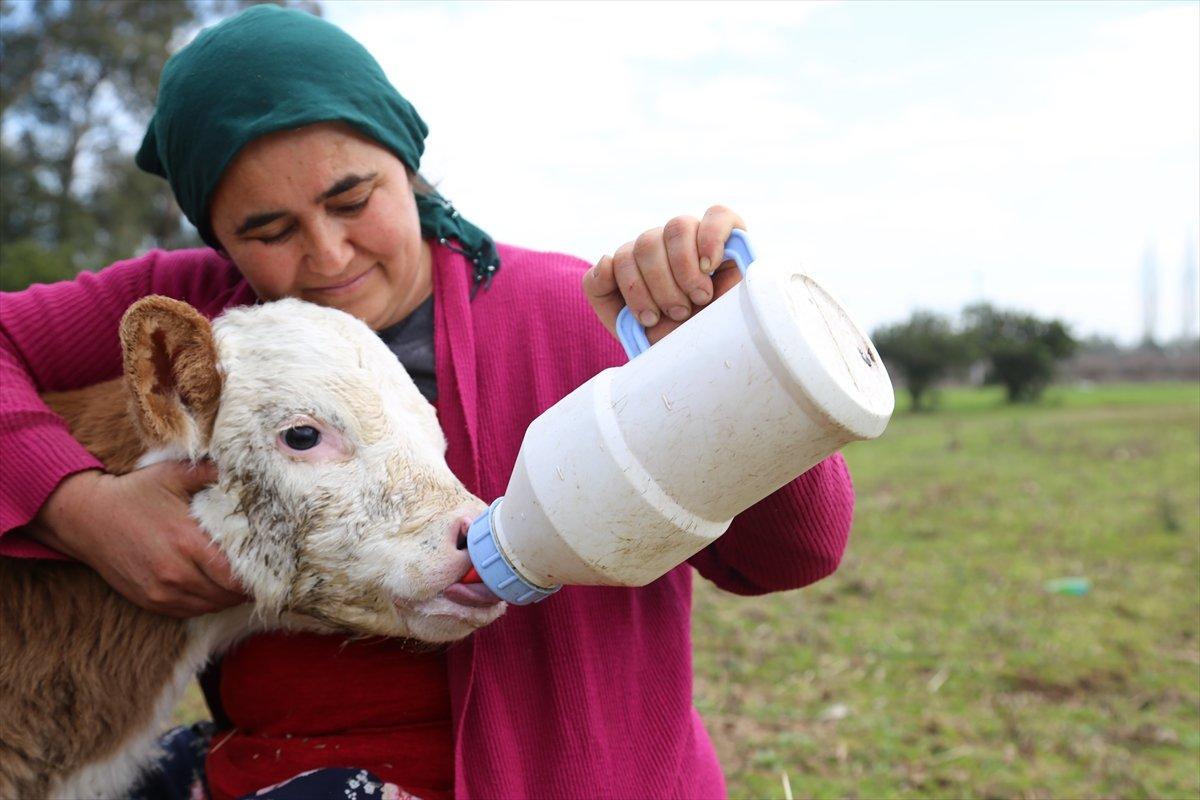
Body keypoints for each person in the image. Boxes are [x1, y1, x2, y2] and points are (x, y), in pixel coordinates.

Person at [0, 6, 855, 800]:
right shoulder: (213, 316)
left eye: (353, 199)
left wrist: (730, 372)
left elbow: (789, 557)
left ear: (408, 169)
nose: (328, 254)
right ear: (217, 239)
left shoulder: (575, 312)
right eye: (268, 231)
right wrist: (81, 507)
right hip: (285, 774)